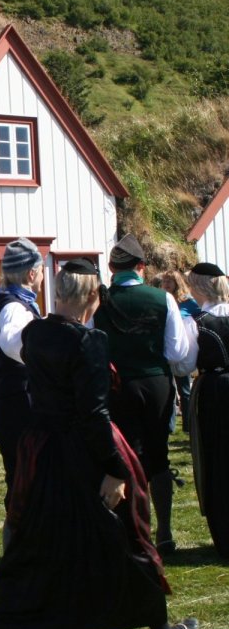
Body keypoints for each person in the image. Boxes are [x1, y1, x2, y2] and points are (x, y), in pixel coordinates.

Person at [0, 259, 197, 629]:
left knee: (34, 545)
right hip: (80, 452)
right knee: (128, 535)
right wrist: (115, 469)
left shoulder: (34, 332)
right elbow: (94, 415)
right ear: (94, 298)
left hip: (41, 451)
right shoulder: (89, 341)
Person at [92, 234, 191, 556]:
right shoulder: (163, 299)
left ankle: (134, 530)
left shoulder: (99, 302)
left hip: (118, 384)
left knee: (126, 456)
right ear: (142, 267)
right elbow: (177, 353)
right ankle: (165, 530)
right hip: (156, 383)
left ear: (111, 268)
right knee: (158, 457)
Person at [0, 238, 43, 547]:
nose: (42, 276)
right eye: (40, 270)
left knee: (19, 480)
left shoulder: (7, 302)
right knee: (24, 481)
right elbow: (13, 344)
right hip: (20, 404)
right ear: (31, 274)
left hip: (9, 402)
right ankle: (19, 550)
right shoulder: (16, 308)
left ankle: (19, 548)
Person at [179, 263, 229, 557]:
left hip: (213, 391)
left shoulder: (197, 321)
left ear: (197, 287)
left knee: (214, 459)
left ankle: (223, 532)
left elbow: (184, 364)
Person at [159, 269, 199, 433]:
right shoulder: (161, 300)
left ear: (177, 283)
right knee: (169, 389)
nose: (166, 284)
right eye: (164, 281)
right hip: (165, 348)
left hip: (183, 350)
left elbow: (199, 319)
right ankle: (169, 426)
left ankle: (188, 425)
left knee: (184, 390)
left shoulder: (188, 302)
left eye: (170, 281)